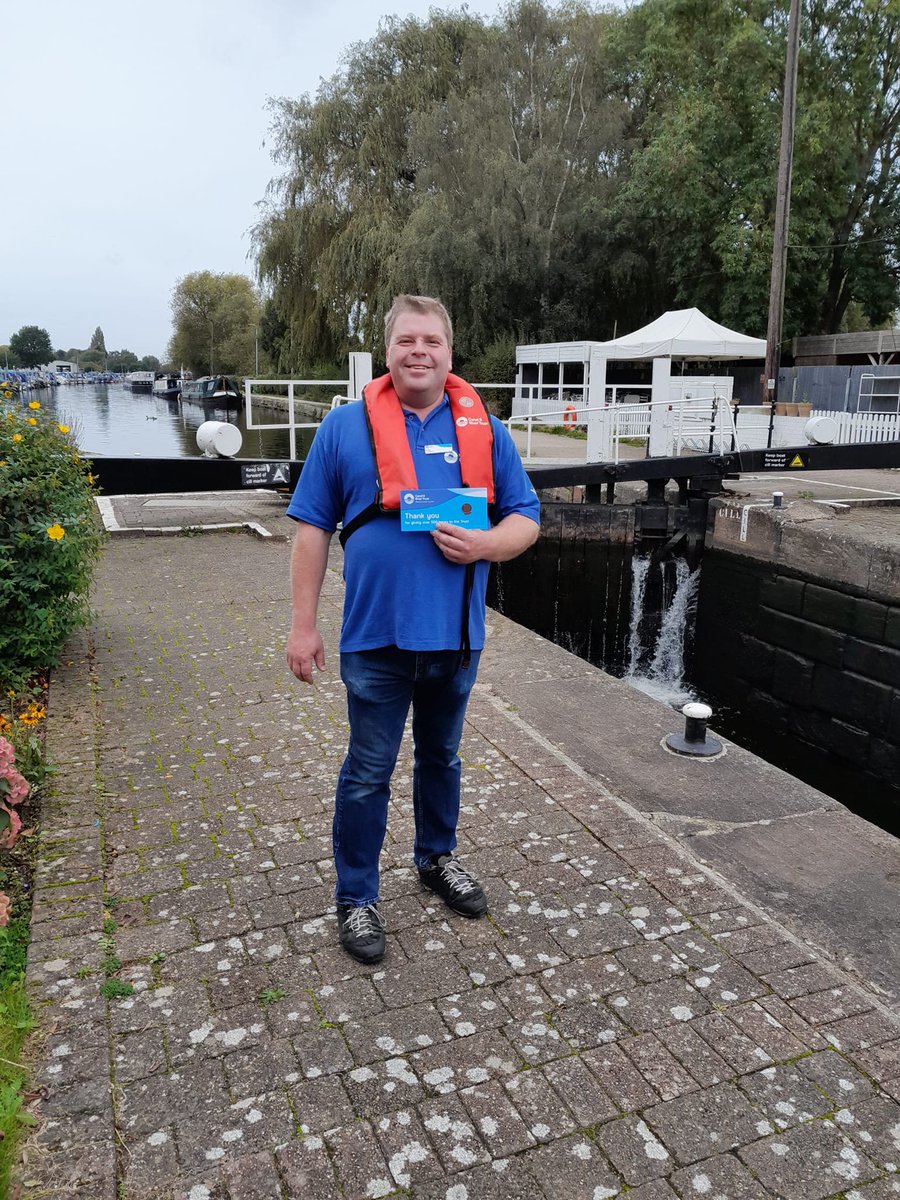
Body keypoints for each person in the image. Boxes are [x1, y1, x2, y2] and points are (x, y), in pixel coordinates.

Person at [285, 295, 540, 964]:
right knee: (368, 771)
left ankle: (436, 859)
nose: (418, 351)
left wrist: (486, 547)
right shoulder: (343, 428)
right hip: (374, 639)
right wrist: (301, 627)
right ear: (388, 350)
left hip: (454, 640)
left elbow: (526, 519)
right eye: (406, 341)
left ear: (449, 353)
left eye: (431, 340)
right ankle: (356, 896)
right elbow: (312, 530)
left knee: (442, 758)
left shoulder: (484, 429)